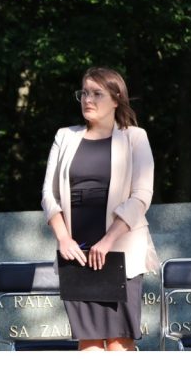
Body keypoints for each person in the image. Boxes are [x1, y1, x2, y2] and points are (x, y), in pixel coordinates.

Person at [42, 67, 160, 351]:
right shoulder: (64, 136)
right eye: (84, 93)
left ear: (116, 99)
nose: (88, 100)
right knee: (89, 342)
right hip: (77, 253)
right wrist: (63, 239)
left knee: (120, 342)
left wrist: (107, 241)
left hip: (120, 250)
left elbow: (142, 195)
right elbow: (49, 194)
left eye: (97, 93)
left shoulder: (135, 137)